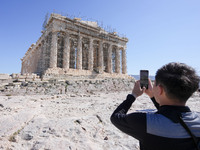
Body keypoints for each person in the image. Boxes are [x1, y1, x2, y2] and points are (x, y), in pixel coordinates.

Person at [110, 62, 200, 150]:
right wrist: (153, 96)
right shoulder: (197, 119)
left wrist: (133, 95)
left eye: (154, 84)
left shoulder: (144, 122)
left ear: (160, 89)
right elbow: (170, 114)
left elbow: (115, 117)